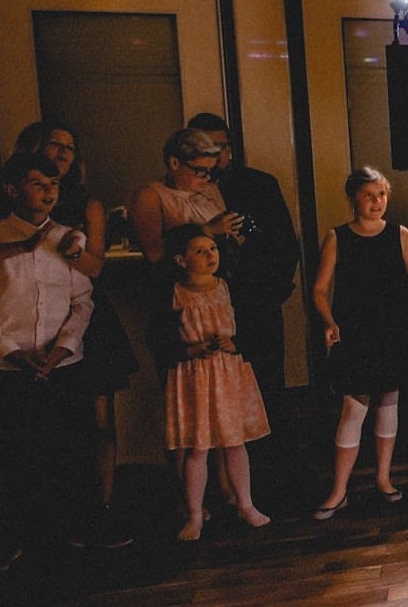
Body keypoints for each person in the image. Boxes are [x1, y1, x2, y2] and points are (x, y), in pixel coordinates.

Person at [0, 120, 136, 533]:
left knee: (85, 429)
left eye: (71, 148)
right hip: (10, 333)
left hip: (73, 326)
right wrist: (16, 249)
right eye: (56, 145)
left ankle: (91, 517)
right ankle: (21, 529)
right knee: (16, 441)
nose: (65, 154)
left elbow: (93, 273)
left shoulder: (82, 206)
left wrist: (69, 250)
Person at [0, 152, 95, 569]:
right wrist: (10, 350)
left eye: (54, 184)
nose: (48, 192)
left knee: (66, 449)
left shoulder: (69, 239)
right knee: (12, 455)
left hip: (61, 363)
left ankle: (69, 533)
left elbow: (82, 300)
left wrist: (62, 348)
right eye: (39, 183)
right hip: (8, 365)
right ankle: (11, 538)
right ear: (13, 189)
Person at [308, 168, 408, 518]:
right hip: (356, 330)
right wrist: (330, 322)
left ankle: (383, 479)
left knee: (388, 402)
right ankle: (338, 490)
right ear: (353, 198)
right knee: (353, 408)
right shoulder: (338, 237)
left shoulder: (400, 234)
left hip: (394, 328)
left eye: (381, 195)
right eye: (369, 195)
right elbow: (320, 289)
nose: (376, 202)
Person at [152, 225, 271, 542]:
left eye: (213, 249)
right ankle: (194, 514)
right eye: (200, 251)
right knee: (198, 448)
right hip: (194, 377)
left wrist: (236, 343)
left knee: (235, 442)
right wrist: (189, 349)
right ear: (181, 259)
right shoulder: (174, 294)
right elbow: (158, 338)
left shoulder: (229, 288)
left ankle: (246, 503)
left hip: (227, 375)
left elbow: (252, 327)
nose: (209, 255)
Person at [185, 113, 301, 411]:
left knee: (267, 383)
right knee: (216, 391)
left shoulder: (259, 184)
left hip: (257, 298)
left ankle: (273, 454)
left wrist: (276, 289)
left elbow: (285, 242)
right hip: (206, 305)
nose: (216, 155)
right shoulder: (183, 191)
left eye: (221, 147)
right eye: (207, 148)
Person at [129, 128, 245, 266]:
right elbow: (153, 253)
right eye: (201, 171)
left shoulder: (210, 190)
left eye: (211, 171)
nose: (208, 177)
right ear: (174, 163)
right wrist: (206, 230)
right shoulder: (149, 196)